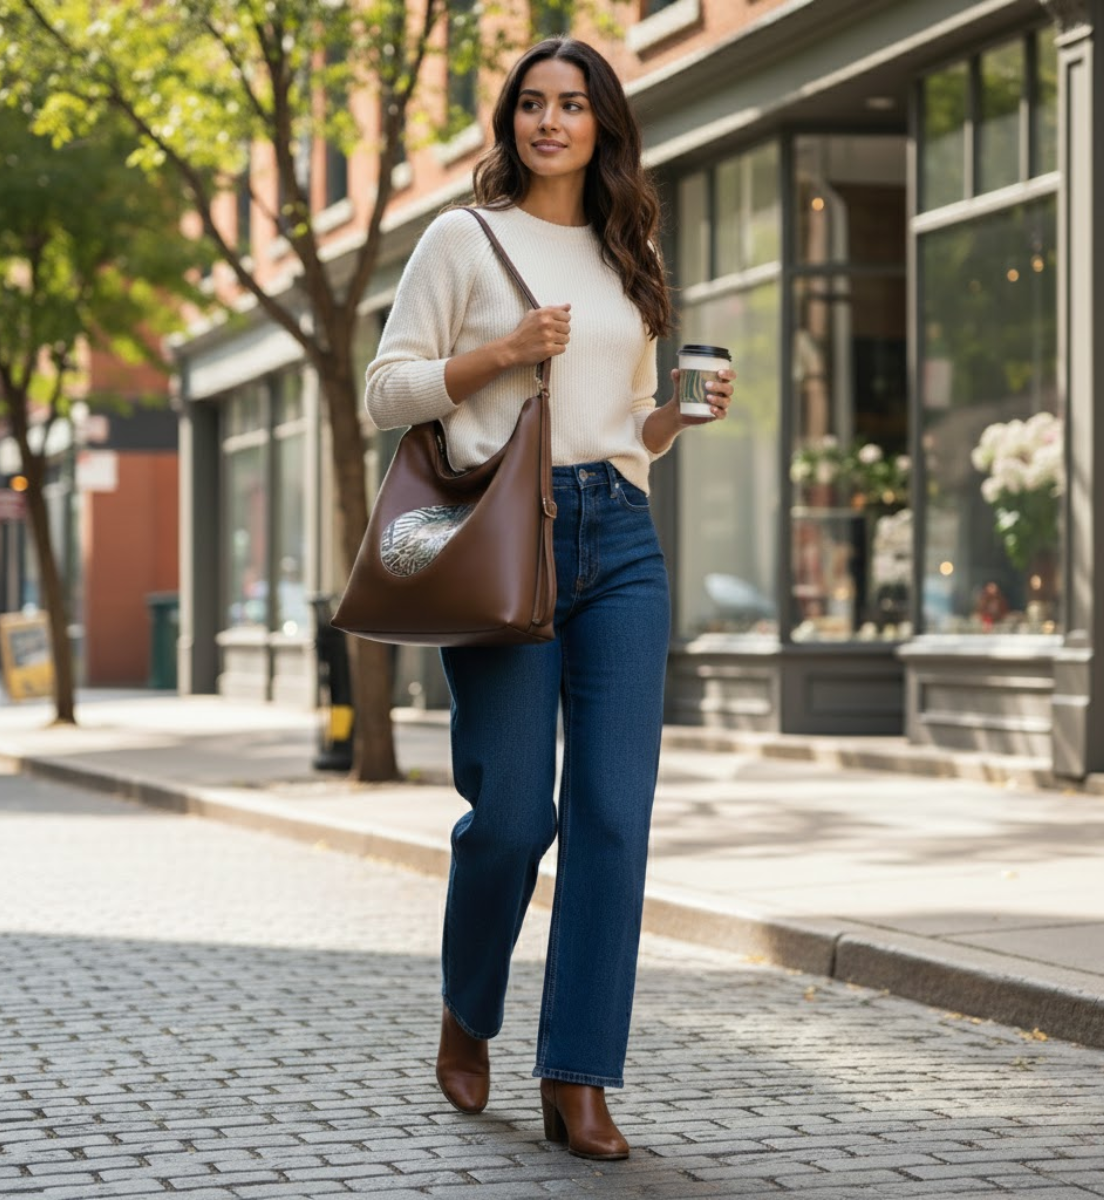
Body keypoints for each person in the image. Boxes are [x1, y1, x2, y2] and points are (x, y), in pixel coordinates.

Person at [364, 37, 735, 1160]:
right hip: (502, 541)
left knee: (616, 820)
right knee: (516, 819)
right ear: (510, 121)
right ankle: (467, 1010)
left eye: (573, 105)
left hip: (619, 539)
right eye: (533, 103)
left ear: (603, 124)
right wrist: (500, 354)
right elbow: (389, 391)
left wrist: (673, 419)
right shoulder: (462, 238)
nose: (551, 121)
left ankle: (579, 1077)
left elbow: (624, 431)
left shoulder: (631, 251)